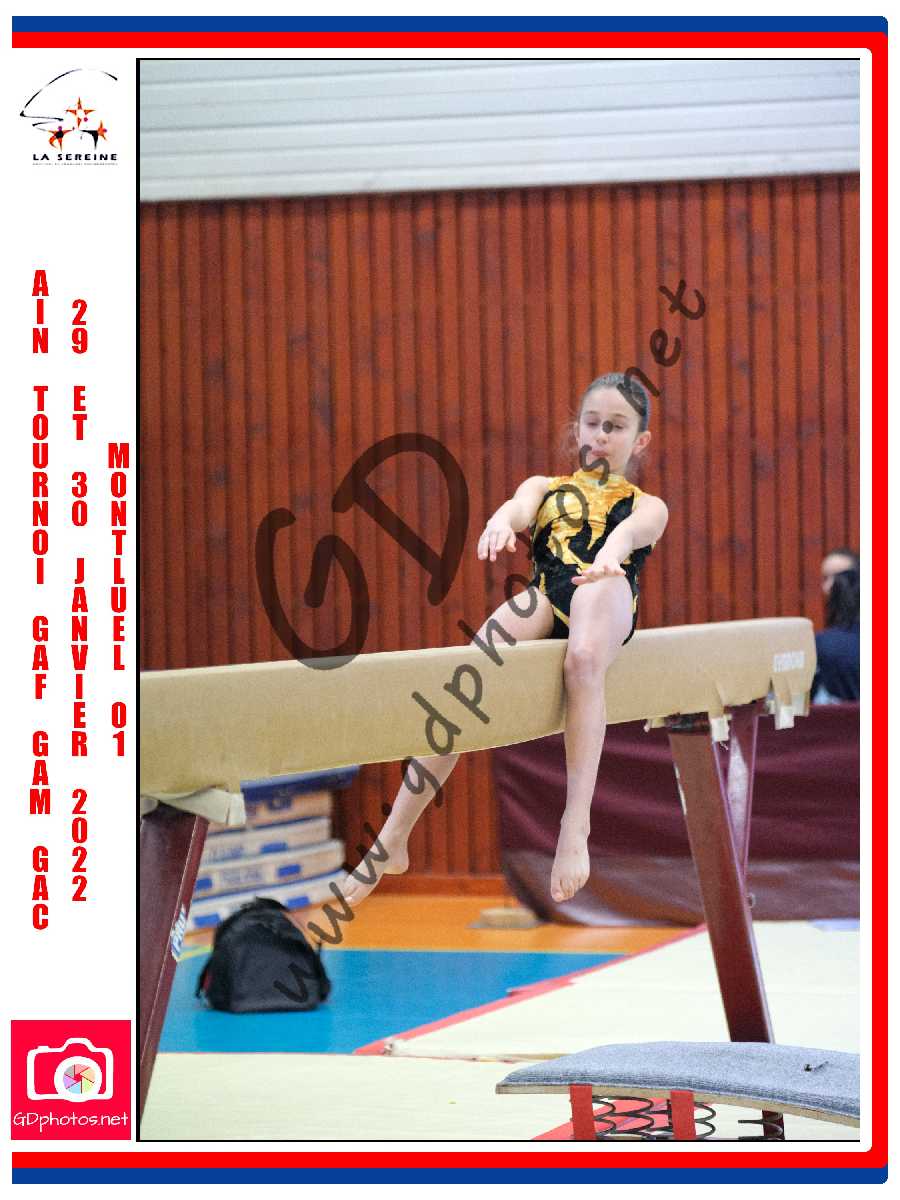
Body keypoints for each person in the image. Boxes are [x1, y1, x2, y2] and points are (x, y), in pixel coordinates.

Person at [343, 372, 668, 906]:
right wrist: (500, 520)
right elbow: (519, 507)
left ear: (640, 440)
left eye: (616, 426)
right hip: (546, 595)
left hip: (606, 594)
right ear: (578, 429)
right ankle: (392, 839)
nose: (601, 435)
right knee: (464, 687)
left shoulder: (646, 504)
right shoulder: (545, 487)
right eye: (593, 423)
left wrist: (610, 555)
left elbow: (632, 534)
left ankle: (575, 824)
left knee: (583, 658)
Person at [812, 556, 860, 703]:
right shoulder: (824, 642)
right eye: (826, 578)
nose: (828, 587)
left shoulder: (822, 644)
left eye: (837, 578)